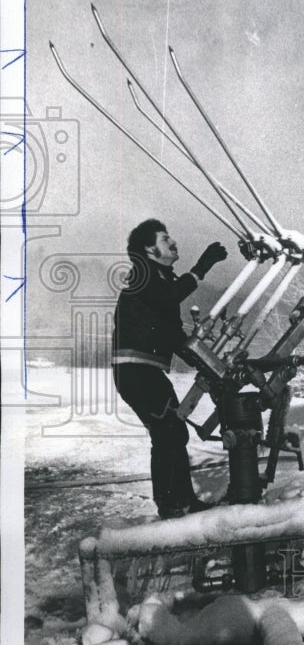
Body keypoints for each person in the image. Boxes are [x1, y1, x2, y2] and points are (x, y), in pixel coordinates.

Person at [112, 219, 228, 519]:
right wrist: (201, 267)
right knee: (168, 433)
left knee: (172, 433)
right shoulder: (144, 275)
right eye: (165, 239)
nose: (173, 243)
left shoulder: (159, 279)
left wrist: (207, 363)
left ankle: (180, 503)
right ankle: (174, 506)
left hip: (143, 372)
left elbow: (172, 335)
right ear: (150, 249)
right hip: (137, 372)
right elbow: (168, 299)